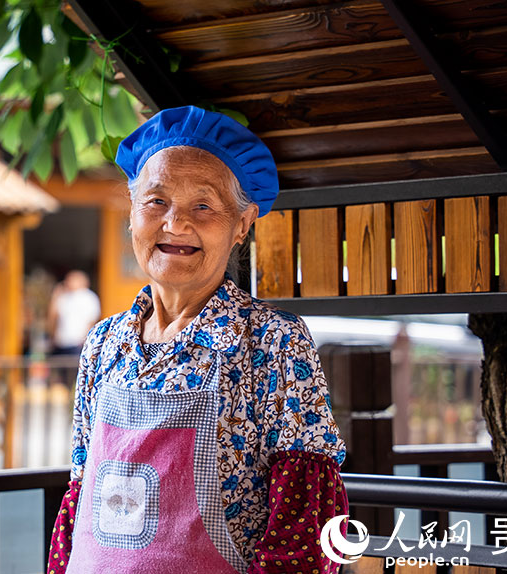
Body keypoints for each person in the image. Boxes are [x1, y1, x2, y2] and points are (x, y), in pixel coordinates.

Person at [47, 106, 348, 574]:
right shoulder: (103, 344)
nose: (175, 224)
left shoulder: (272, 342)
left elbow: (306, 523)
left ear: (242, 224)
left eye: (203, 206)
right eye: (156, 201)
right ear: (131, 213)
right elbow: (79, 498)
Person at [48, 270, 102, 356]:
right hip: (62, 342)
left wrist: (85, 339)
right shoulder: (64, 297)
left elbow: (92, 320)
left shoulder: (89, 297)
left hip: (78, 343)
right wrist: (55, 295)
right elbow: (54, 316)